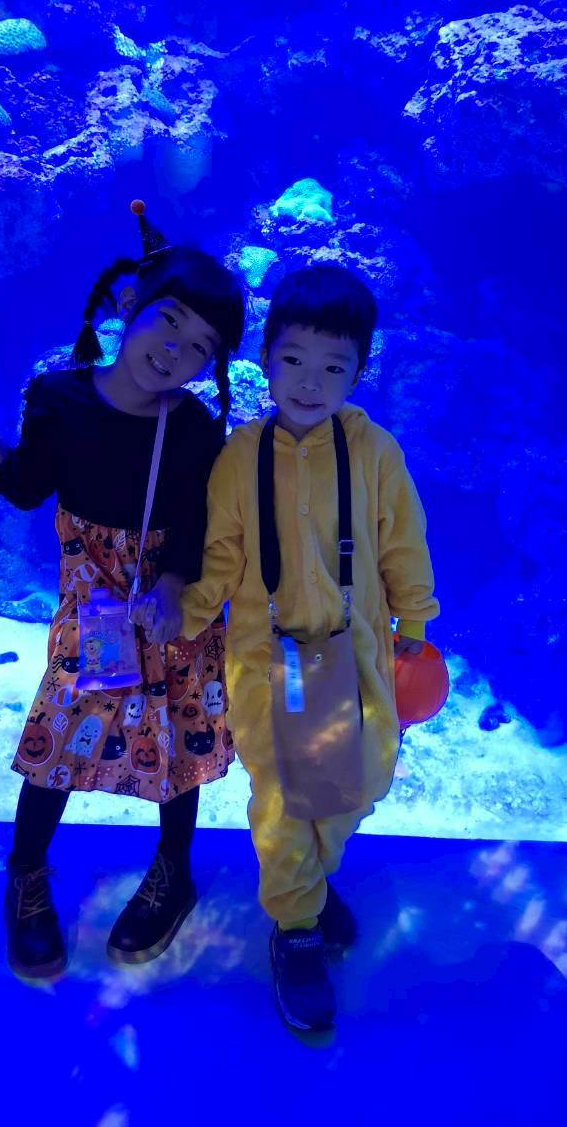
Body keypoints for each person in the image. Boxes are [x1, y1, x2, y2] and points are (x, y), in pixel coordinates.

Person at [0, 203, 244, 980]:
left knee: (177, 732)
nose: (176, 352)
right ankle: (26, 873)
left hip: (169, 602)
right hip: (95, 598)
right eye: (169, 322)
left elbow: (201, 521)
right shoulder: (59, 397)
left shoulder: (195, 427)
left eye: (201, 348)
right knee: (59, 728)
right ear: (129, 303)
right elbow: (27, 485)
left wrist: (174, 584)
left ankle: (173, 870)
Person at [162, 262, 438, 1031]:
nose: (310, 382)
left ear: (359, 372)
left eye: (333, 367)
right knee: (283, 796)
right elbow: (221, 554)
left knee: (358, 782)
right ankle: (296, 928)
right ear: (264, 359)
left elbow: (403, 544)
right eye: (293, 359)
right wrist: (185, 617)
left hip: (358, 654)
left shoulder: (376, 451)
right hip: (267, 660)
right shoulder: (240, 454)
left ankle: (309, 882)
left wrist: (415, 628)